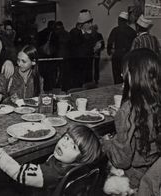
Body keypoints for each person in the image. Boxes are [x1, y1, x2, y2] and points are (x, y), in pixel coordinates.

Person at [102, 48, 161, 190]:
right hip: (153, 172)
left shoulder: (128, 110)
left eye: (125, 71)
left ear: (134, 75)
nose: (122, 74)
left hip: (131, 179)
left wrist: (106, 142)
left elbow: (121, 160)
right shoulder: (156, 102)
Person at [0, 125, 102, 196]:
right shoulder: (77, 167)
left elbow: (18, 172)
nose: (65, 144)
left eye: (74, 147)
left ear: (81, 158)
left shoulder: (52, 173)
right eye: (66, 138)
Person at [69, 9, 96, 89]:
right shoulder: (74, 32)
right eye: (88, 23)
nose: (90, 25)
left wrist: (95, 48)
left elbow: (89, 48)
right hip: (77, 65)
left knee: (87, 85)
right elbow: (78, 47)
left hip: (87, 64)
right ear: (82, 24)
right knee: (78, 86)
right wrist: (86, 34)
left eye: (91, 23)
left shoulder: (88, 34)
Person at [107, 11, 136, 84]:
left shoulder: (115, 30)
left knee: (116, 75)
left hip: (117, 55)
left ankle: (117, 89)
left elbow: (110, 42)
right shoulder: (132, 31)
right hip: (128, 56)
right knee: (126, 76)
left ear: (119, 20)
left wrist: (109, 51)